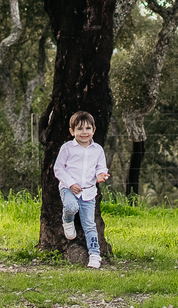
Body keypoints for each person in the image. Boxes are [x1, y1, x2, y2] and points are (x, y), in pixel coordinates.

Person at [53, 110, 110, 269]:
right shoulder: (67, 148)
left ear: (94, 130)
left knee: (90, 225)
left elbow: (101, 167)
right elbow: (58, 169)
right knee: (71, 207)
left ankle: (94, 254)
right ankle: (67, 220)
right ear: (72, 131)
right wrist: (71, 183)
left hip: (89, 192)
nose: (84, 132)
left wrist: (100, 175)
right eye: (79, 129)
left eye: (87, 129)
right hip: (69, 189)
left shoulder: (97, 149)